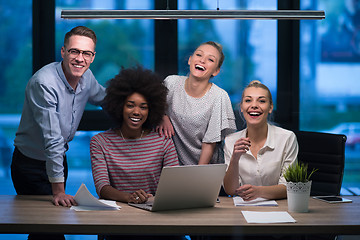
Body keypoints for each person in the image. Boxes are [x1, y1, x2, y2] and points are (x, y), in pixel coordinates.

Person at [11, 26, 105, 210]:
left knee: (54, 222)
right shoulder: (44, 83)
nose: (80, 59)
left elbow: (107, 99)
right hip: (30, 165)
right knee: (44, 226)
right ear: (63, 52)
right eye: (74, 51)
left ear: (93, 57)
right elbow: (53, 139)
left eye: (86, 53)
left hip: (59, 159)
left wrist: (149, 111)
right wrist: (59, 191)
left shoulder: (87, 78)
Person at [90, 66, 182, 240]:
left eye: (143, 107)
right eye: (130, 105)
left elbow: (174, 184)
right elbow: (103, 188)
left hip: (157, 219)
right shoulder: (100, 142)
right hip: (117, 221)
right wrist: (129, 197)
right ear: (119, 106)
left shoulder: (163, 140)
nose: (137, 112)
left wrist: (150, 199)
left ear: (151, 110)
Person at [157, 41, 236, 165]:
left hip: (204, 169)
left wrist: (198, 176)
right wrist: (162, 115)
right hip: (171, 167)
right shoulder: (171, 83)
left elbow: (209, 143)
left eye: (210, 59)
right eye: (199, 55)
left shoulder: (219, 96)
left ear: (216, 71)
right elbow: (150, 106)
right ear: (190, 60)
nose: (202, 60)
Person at [223, 80, 298, 200]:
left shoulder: (287, 138)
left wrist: (258, 191)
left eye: (262, 101)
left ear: (270, 108)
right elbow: (231, 190)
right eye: (248, 100)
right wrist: (234, 159)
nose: (254, 105)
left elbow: (289, 187)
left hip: (279, 209)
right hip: (240, 210)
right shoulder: (231, 141)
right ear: (241, 107)